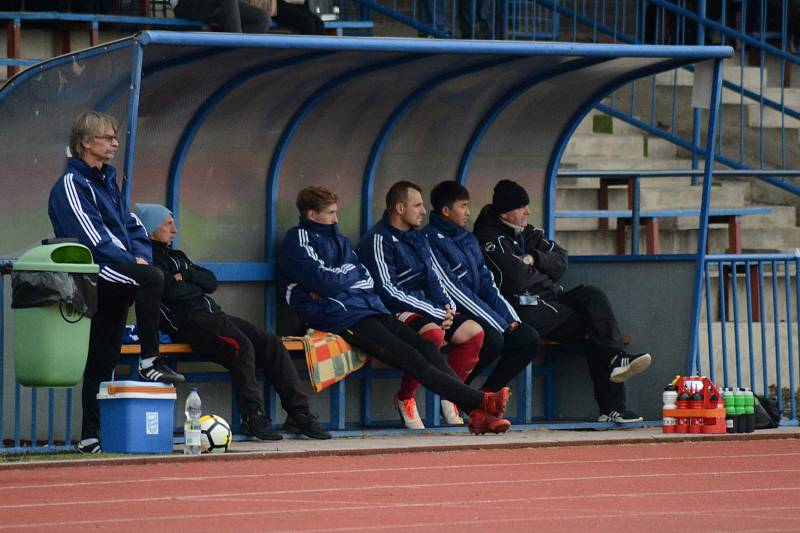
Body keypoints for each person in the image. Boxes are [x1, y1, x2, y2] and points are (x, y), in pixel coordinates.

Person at [279, 186, 511, 435]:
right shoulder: (297, 241)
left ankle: (479, 413)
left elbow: (364, 278)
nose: (337, 219)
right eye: (331, 213)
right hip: (337, 316)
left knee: (425, 348)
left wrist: (339, 282)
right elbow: (325, 281)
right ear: (313, 215)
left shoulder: (341, 240)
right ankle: (480, 403)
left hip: (368, 309)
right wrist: (342, 280)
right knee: (410, 358)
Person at [48, 111, 185, 454]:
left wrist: (138, 256)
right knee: (152, 278)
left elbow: (134, 226)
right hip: (98, 272)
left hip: (119, 272)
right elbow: (91, 238)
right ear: (85, 143)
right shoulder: (71, 184)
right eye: (107, 137)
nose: (114, 143)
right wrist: (131, 262)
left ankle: (91, 436)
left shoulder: (108, 182)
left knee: (103, 356)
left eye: (114, 137)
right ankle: (149, 359)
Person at [135, 204, 331, 441]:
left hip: (215, 315)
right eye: (168, 223)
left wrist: (186, 276)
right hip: (190, 323)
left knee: (271, 343)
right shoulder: (148, 261)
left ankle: (300, 414)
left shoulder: (177, 257)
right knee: (241, 346)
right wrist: (188, 285)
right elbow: (171, 293)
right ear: (151, 229)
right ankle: (252, 417)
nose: (174, 229)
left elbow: (210, 282)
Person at [472, 179, 653, 424]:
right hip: (521, 307)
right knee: (595, 330)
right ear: (505, 212)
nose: (528, 212)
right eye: (521, 207)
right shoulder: (488, 236)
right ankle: (613, 404)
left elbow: (561, 261)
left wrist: (533, 259)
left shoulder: (528, 232)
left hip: (551, 298)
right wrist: (539, 272)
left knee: (592, 295)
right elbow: (514, 278)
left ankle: (615, 360)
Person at [355, 181, 485, 429]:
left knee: (474, 333)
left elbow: (433, 277)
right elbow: (389, 291)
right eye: (417, 205)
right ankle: (405, 397)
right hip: (393, 311)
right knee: (433, 335)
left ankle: (452, 396)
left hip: (427, 307)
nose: (424, 211)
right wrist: (436, 313)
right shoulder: (378, 239)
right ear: (400, 208)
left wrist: (446, 307)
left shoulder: (417, 238)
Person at [421, 181, 540, 394]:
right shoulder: (429, 239)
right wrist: (499, 323)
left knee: (528, 337)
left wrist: (511, 319)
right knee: (493, 339)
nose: (468, 212)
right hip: (453, 312)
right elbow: (453, 288)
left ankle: (486, 396)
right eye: (463, 206)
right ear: (446, 211)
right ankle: (457, 394)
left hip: (481, 312)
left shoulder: (468, 238)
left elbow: (487, 282)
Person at [174, 0, 269, 33]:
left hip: (216, 5)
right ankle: (236, 46)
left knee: (262, 19)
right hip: (184, 4)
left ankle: (233, 51)